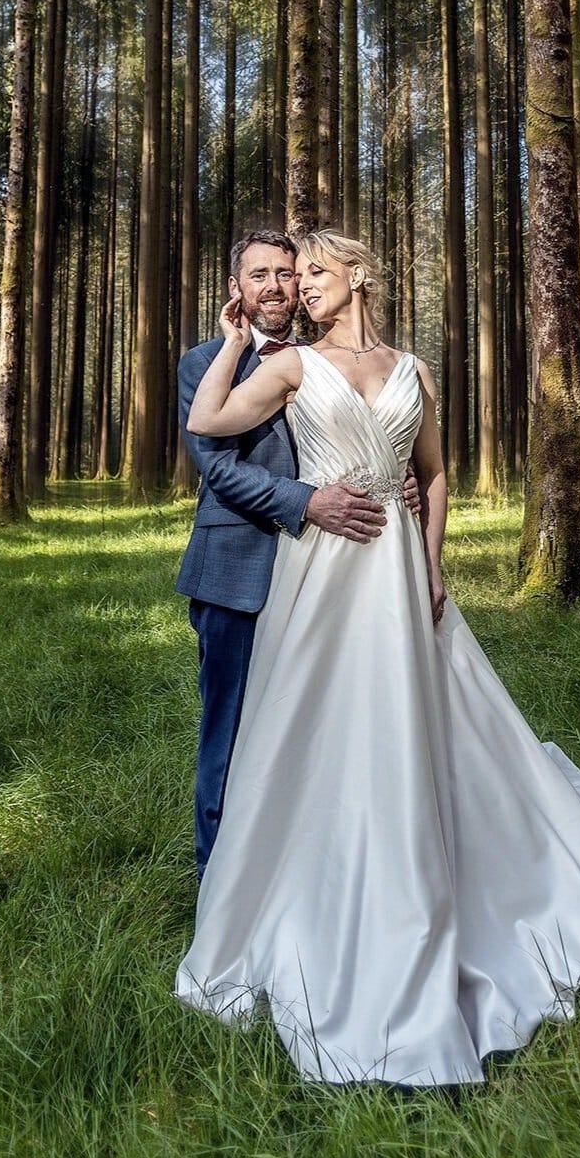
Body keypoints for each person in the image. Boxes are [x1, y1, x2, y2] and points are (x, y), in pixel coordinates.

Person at [174, 230, 580, 1086]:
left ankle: (460, 870)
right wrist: (237, 340)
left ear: (357, 276)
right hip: (316, 571)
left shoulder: (412, 369)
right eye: (285, 274)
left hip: (395, 570)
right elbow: (205, 425)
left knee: (418, 722)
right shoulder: (281, 365)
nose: (299, 287)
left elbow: (431, 475)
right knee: (294, 730)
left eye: (312, 271)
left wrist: (432, 563)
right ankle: (255, 889)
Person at [176, 230, 413, 881]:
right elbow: (217, 465)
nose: (278, 285)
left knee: (321, 729)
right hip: (239, 572)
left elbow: (360, 439)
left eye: (288, 273)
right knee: (231, 730)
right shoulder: (204, 362)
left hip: (336, 575)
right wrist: (307, 501)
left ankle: (310, 876)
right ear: (236, 288)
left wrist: (394, 474)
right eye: (260, 274)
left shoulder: (322, 359)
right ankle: (217, 884)